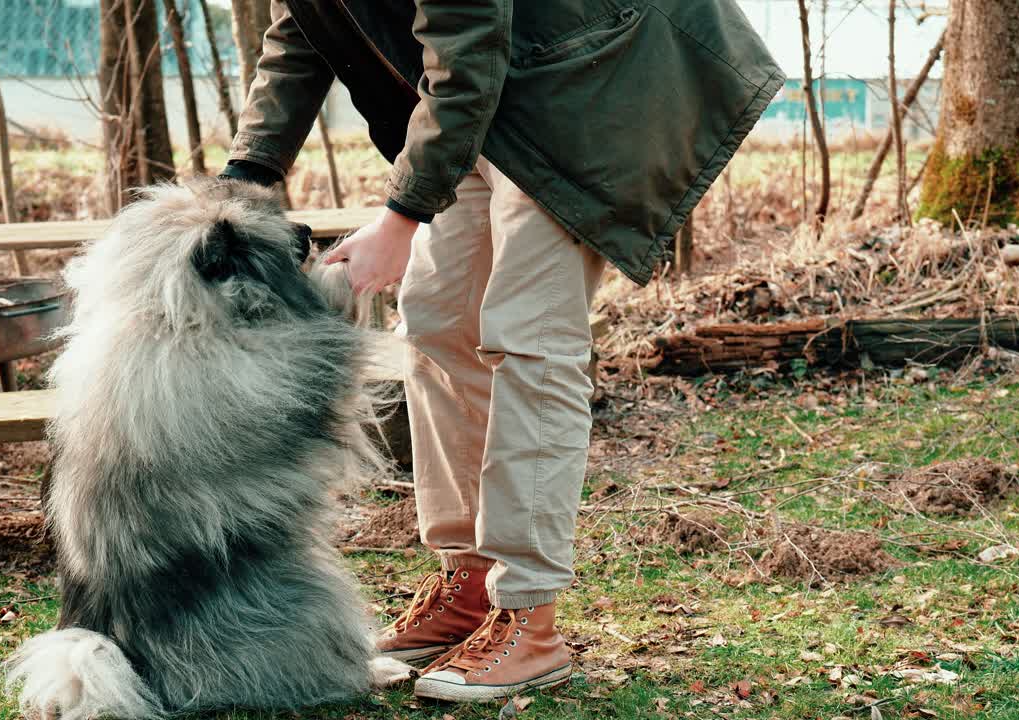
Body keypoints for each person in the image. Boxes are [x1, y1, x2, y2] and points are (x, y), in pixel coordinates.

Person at [220, 0, 781, 703]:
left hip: (582, 77)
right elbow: (302, 26)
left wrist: (402, 217)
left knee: (530, 337)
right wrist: (247, 175)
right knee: (436, 320)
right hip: (487, 91)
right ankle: (472, 581)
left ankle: (529, 617)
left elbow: (468, 47)